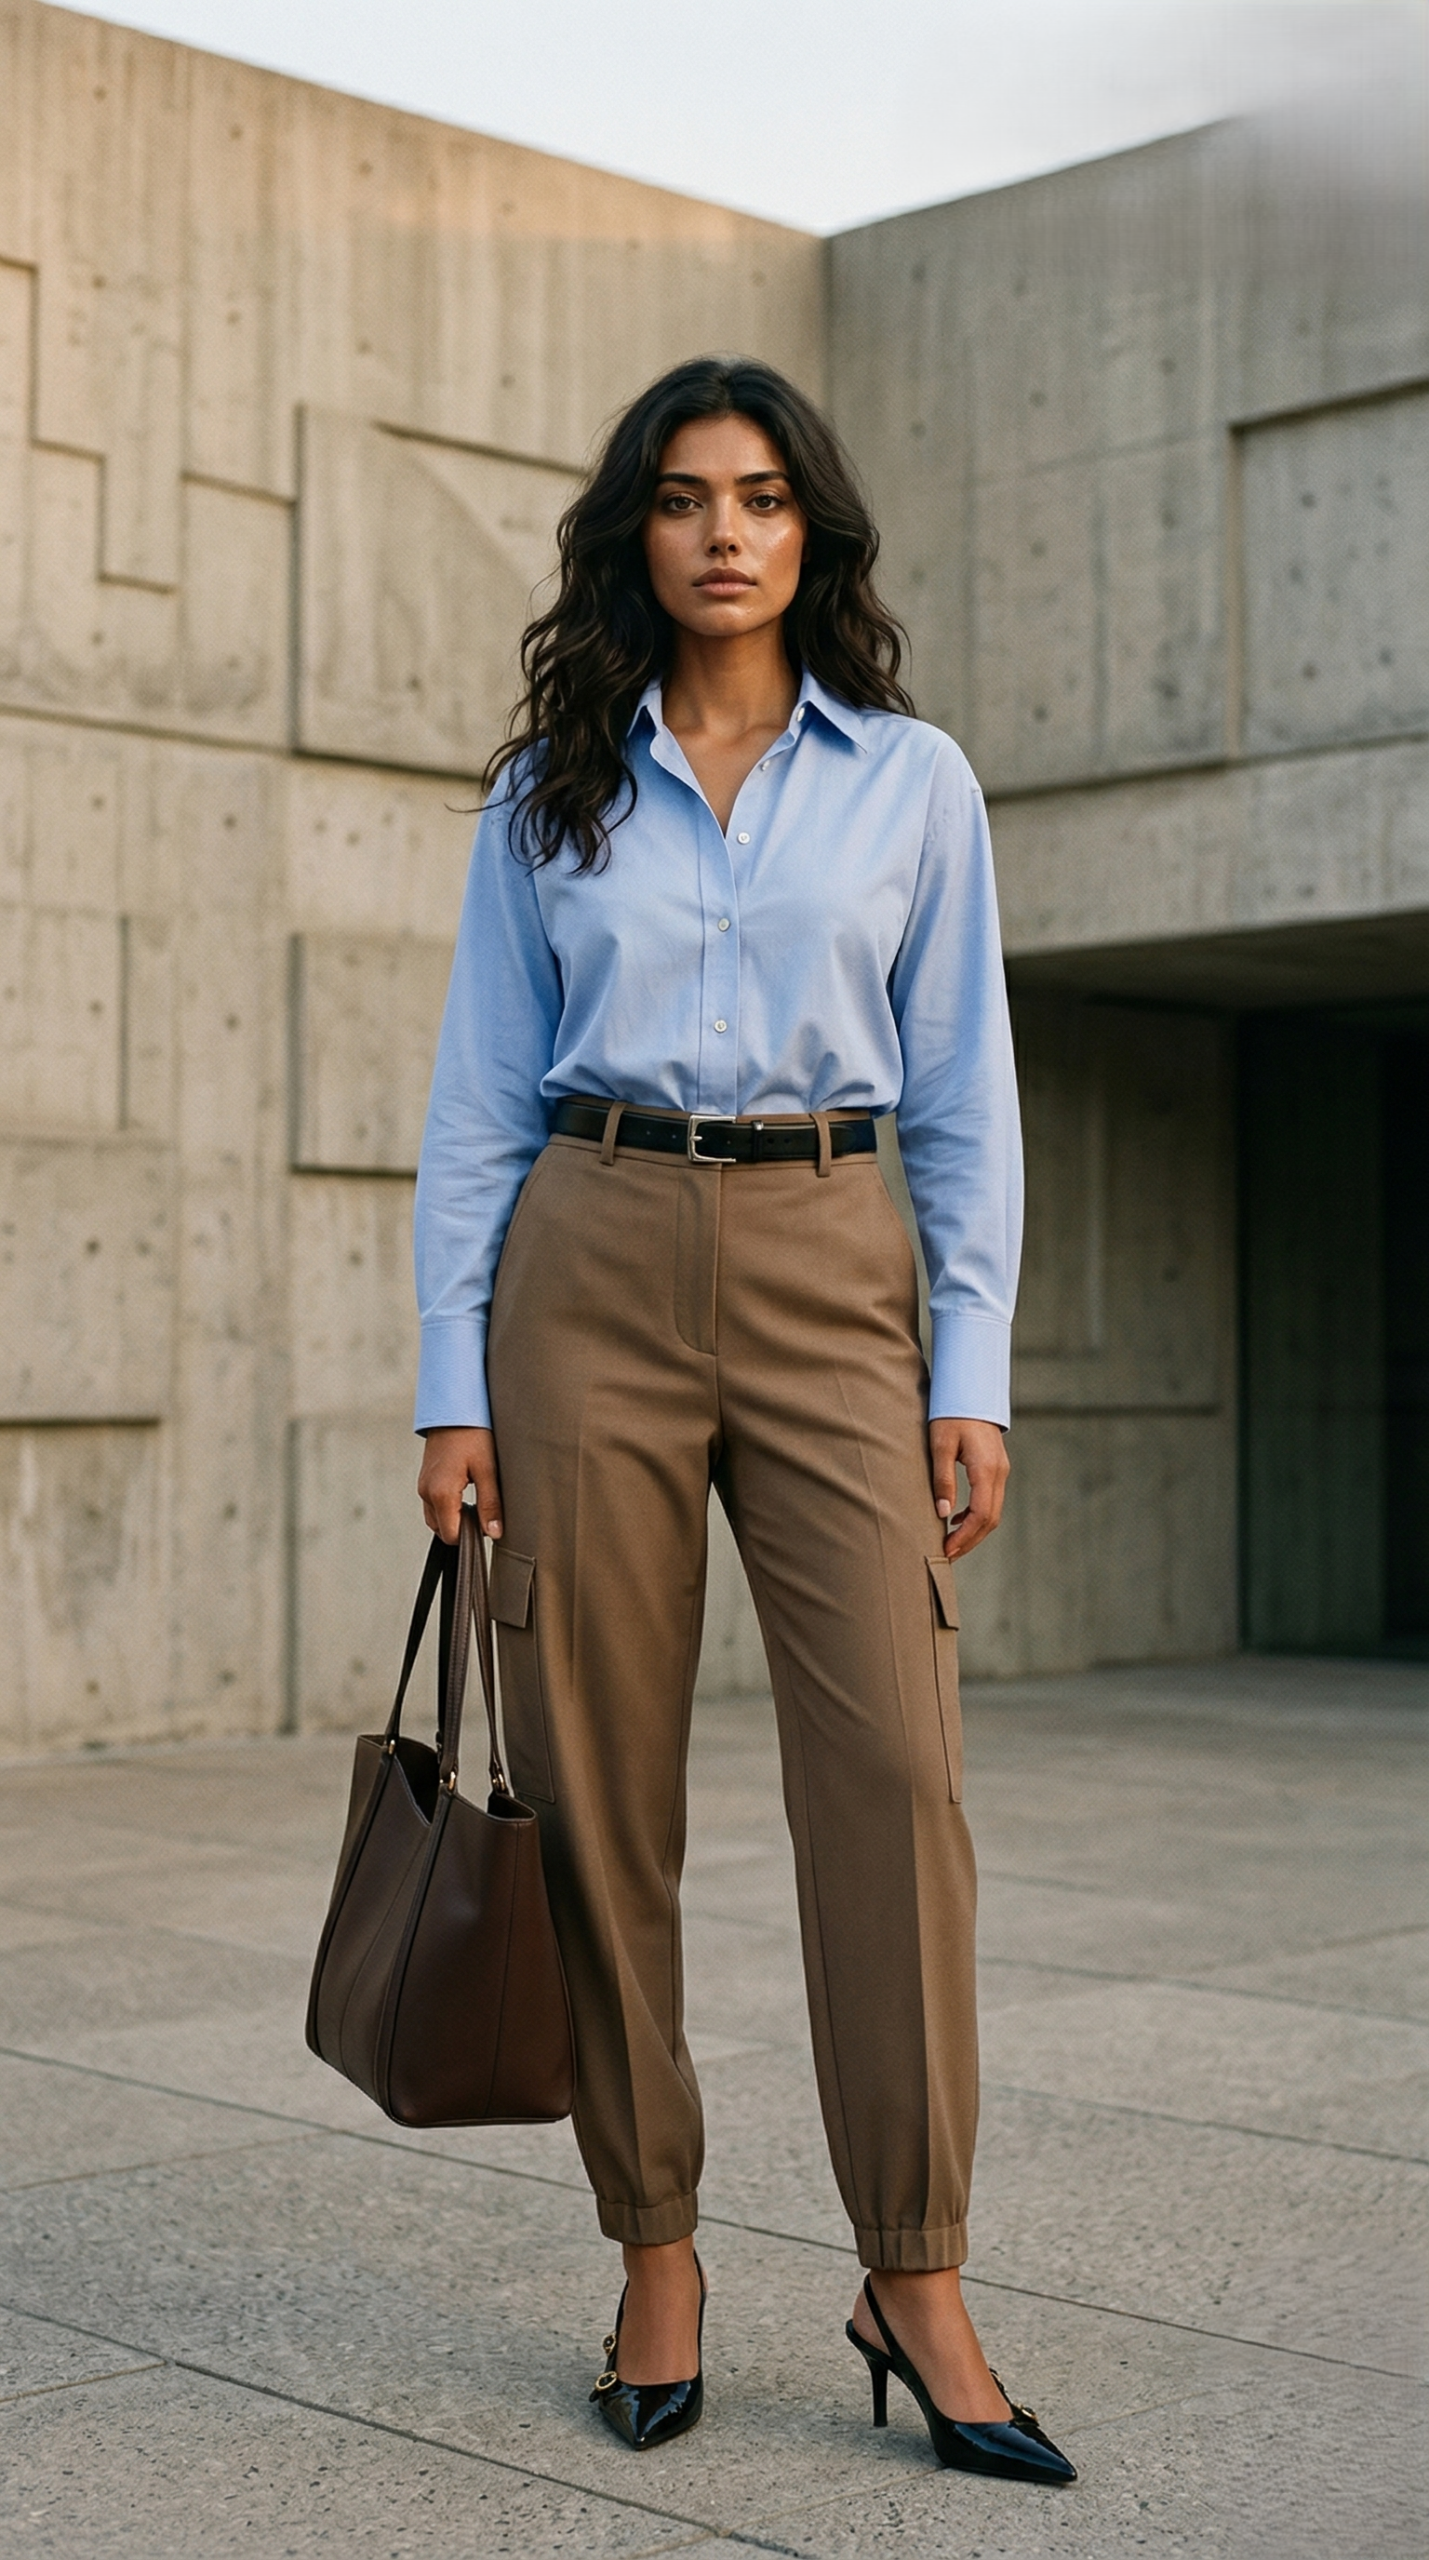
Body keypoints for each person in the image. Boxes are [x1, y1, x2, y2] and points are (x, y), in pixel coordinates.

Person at [413, 355, 1075, 2487]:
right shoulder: (550, 790)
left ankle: (918, 2263)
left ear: (814, 535)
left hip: (827, 1246)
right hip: (588, 1256)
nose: (725, 529)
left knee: (892, 1767)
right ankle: (658, 2239)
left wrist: (964, 1360)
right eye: (688, 495)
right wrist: (454, 1382)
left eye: (766, 495)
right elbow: (477, 1105)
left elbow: (964, 1086)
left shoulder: (913, 784)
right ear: (639, 530)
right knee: (601, 1787)